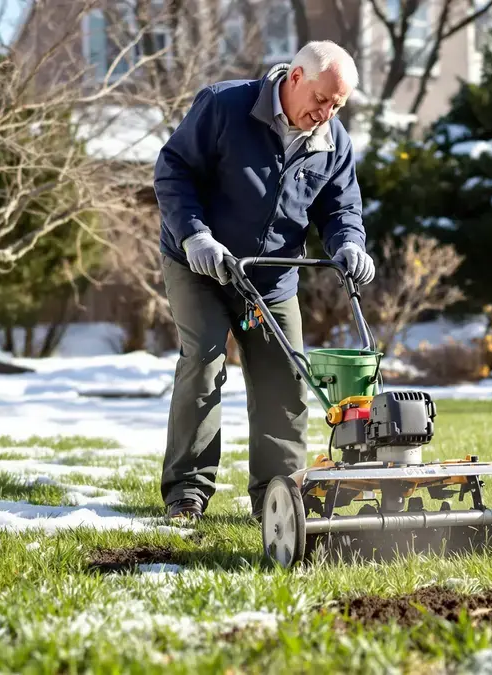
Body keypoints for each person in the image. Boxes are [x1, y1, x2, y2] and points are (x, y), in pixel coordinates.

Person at [153, 41, 375, 523]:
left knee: (286, 380)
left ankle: (280, 499)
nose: (326, 112)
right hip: (200, 263)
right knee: (205, 363)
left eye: (337, 105)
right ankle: (187, 494)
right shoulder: (226, 105)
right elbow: (173, 171)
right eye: (321, 98)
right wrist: (195, 236)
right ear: (295, 77)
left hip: (271, 276)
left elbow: (340, 207)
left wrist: (349, 243)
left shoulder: (332, 139)